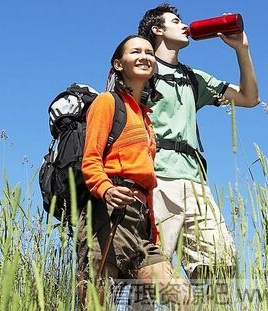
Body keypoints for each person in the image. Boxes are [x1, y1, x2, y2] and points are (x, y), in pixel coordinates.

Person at [137, 4, 260, 282]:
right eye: (175, 21)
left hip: (195, 183)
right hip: (155, 179)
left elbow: (250, 98)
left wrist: (242, 49)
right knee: (151, 272)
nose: (185, 25)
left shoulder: (193, 78)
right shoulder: (141, 70)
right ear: (158, 30)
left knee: (220, 265)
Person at [77, 35, 192, 309]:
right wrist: (105, 190)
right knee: (95, 303)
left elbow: (146, 182)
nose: (144, 56)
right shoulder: (107, 102)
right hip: (108, 216)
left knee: (185, 299)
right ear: (118, 64)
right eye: (135, 52)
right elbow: (91, 159)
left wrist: (152, 230)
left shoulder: (145, 117)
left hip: (140, 224)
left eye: (149, 52)